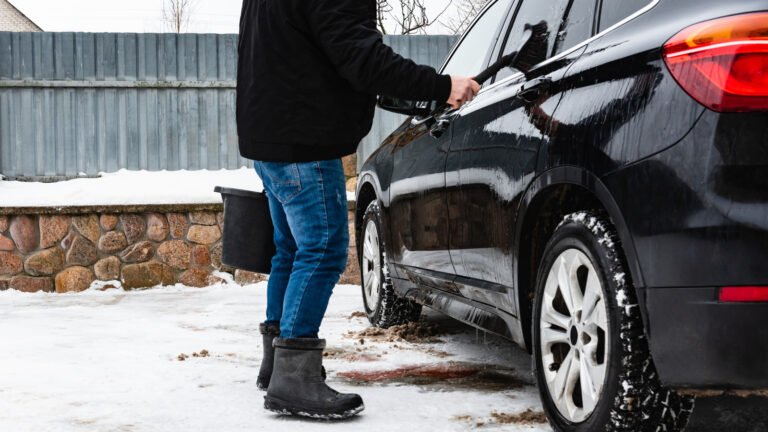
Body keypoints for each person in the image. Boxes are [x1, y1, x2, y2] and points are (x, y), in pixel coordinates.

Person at [236, 0, 480, 420]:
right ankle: (293, 378)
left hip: (270, 137)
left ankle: (278, 365)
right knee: (322, 249)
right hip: (304, 142)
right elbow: (363, 59)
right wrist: (443, 86)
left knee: (291, 250)